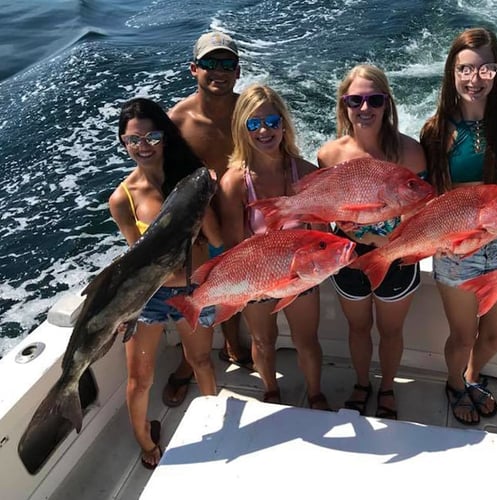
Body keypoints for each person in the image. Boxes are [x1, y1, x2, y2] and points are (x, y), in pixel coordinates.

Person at [419, 28, 497, 426]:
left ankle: (473, 376)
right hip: (458, 249)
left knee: (495, 335)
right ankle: (455, 384)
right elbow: (436, 198)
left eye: (486, 69)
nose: (475, 79)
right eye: (465, 69)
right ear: (452, 73)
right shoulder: (435, 130)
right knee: (463, 336)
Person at [108, 97, 221, 469]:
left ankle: (216, 431)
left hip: (194, 290)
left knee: (201, 360)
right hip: (150, 297)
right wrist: (124, 309)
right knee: (140, 378)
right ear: (124, 144)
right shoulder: (122, 199)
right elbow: (134, 260)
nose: (143, 146)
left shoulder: (193, 178)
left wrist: (205, 204)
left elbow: (216, 239)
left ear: (166, 136)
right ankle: (145, 441)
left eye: (152, 136)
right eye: (133, 140)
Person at [317, 64, 427, 420]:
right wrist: (351, 230)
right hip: (347, 255)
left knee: (391, 329)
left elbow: (420, 207)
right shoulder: (328, 155)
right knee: (358, 326)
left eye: (374, 100)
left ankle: (388, 387)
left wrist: (387, 241)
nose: (365, 109)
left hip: (396, 254)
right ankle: (362, 383)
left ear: (387, 104)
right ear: (343, 105)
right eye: (355, 101)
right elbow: (327, 207)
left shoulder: (410, 153)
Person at [216, 84, 331, 410]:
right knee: (262, 340)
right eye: (254, 124)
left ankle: (315, 394)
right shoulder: (235, 182)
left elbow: (322, 231)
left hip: (301, 276)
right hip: (257, 278)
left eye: (272, 121)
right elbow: (234, 243)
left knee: (306, 340)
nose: (264, 130)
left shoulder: (306, 172)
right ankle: (270, 391)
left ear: (284, 124)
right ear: (242, 129)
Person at [163, 30, 253, 409]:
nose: (218, 71)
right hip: (198, 230)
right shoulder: (176, 120)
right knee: (198, 297)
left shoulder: (249, 111)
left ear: (237, 70)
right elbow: (161, 179)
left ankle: (234, 344)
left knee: (234, 291)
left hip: (242, 216)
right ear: (193, 69)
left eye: (226, 64)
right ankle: (188, 364)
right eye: (209, 64)